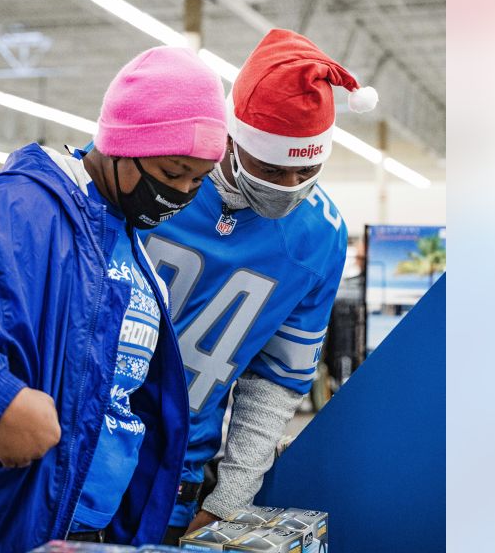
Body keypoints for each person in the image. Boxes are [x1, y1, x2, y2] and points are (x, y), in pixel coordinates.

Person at [0, 47, 229, 552]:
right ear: (122, 145)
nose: (179, 194)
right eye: (172, 173)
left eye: (197, 182)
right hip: (16, 517)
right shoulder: (15, 209)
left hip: (95, 529)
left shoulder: (136, 252)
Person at [140, 29, 379, 541]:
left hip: (179, 468)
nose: (288, 189)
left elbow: (277, 382)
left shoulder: (320, 235)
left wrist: (229, 499)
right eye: (271, 169)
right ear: (232, 139)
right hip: (75, 438)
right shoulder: (157, 170)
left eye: (307, 170)